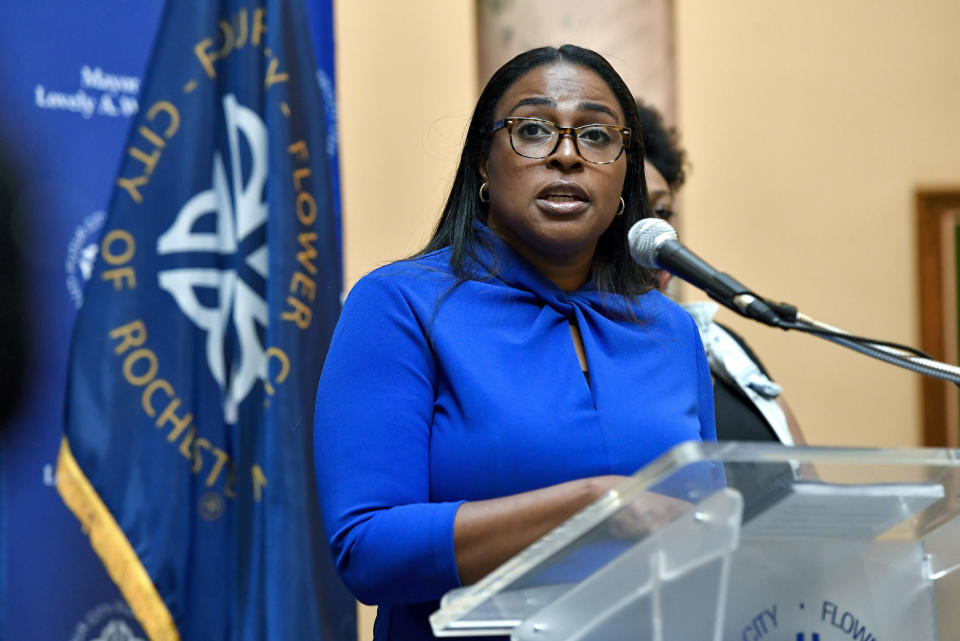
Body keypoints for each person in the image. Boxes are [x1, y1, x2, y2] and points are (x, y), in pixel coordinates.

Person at [314, 46, 717, 641]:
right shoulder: (400, 305)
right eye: (532, 130)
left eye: (597, 136)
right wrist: (589, 507)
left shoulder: (669, 328)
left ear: (624, 171)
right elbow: (368, 550)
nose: (566, 155)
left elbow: (709, 529)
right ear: (482, 160)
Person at [635, 99, 804, 445]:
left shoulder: (720, 345)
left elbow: (809, 480)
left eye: (662, 211)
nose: (656, 233)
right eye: (632, 214)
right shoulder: (579, 357)